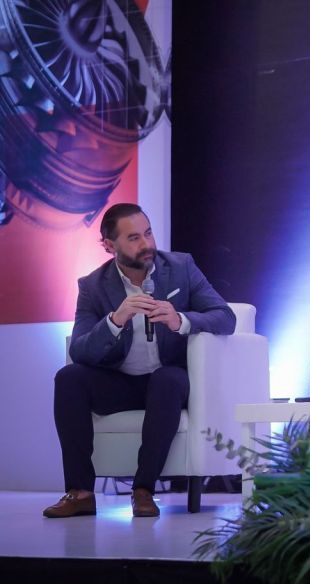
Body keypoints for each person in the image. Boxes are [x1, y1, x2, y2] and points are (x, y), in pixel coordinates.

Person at [43, 203, 235, 518]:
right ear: (109, 246)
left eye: (148, 233)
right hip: (121, 383)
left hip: (169, 379)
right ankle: (80, 493)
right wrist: (115, 320)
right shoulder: (92, 286)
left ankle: (143, 490)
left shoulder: (181, 267)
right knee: (69, 377)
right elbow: (80, 349)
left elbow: (225, 317)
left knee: (166, 380)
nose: (146, 244)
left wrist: (180, 320)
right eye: (133, 238)